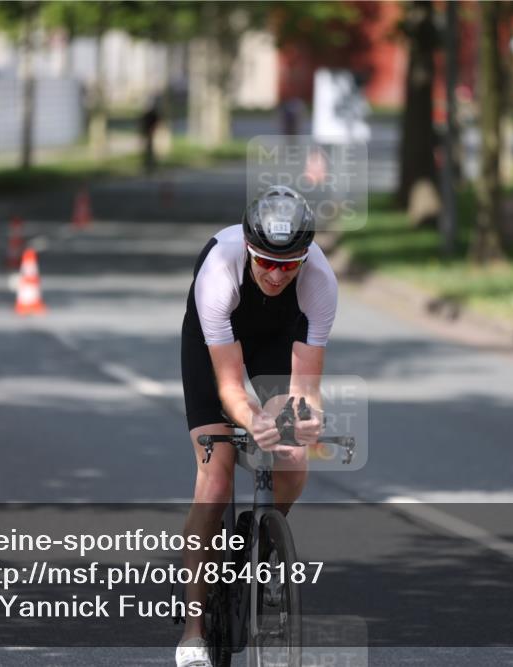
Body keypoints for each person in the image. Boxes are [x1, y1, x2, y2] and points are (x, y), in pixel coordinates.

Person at [176, 185, 338, 667]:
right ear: (248, 249)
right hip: (215, 343)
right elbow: (229, 388)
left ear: (304, 260)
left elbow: (306, 388)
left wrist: (305, 417)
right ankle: (193, 631)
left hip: (277, 337)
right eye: (265, 261)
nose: (274, 273)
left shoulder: (321, 284)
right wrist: (253, 420)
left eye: (288, 265)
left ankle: (260, 535)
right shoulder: (219, 274)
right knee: (216, 476)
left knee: (293, 458)